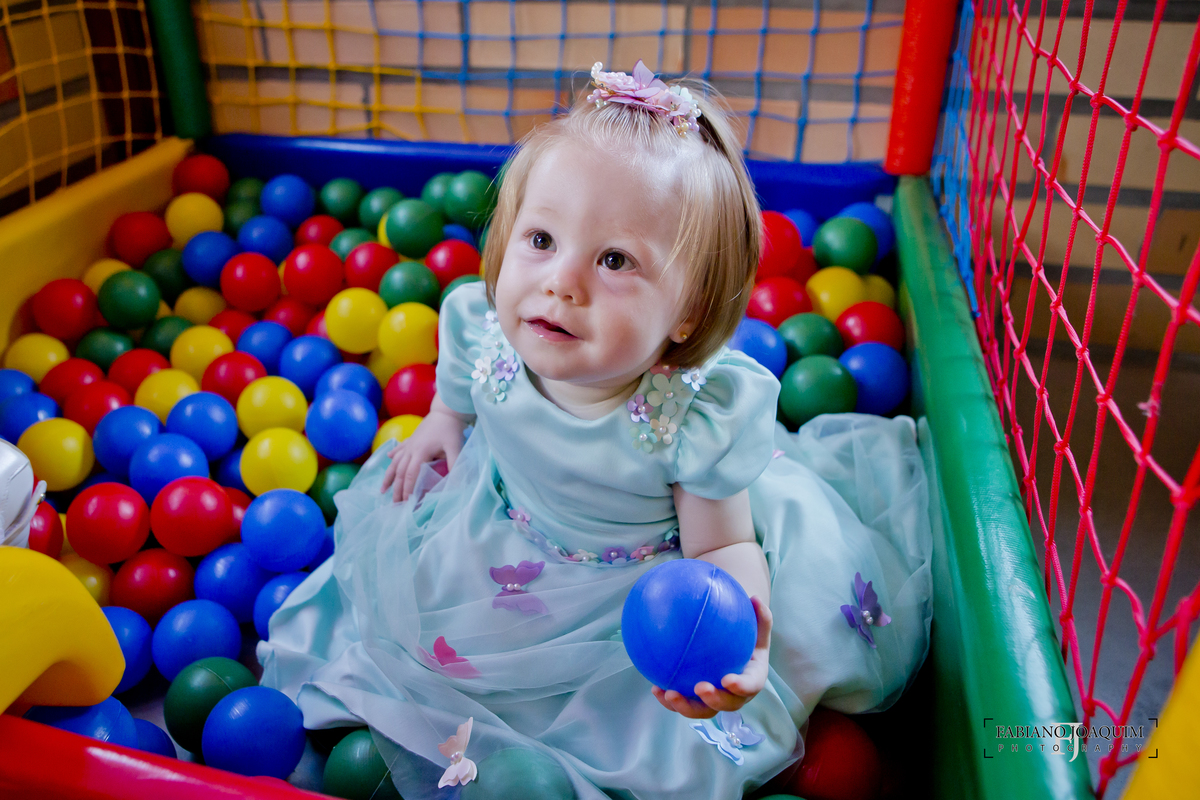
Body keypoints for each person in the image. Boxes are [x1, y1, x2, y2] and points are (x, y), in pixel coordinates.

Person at [259, 60, 932, 800]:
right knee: (396, 652)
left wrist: (740, 637)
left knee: (628, 745)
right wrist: (444, 421)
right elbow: (461, 370)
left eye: (614, 260)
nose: (561, 282)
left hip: (638, 595)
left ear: (687, 313)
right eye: (540, 239)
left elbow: (722, 548)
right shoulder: (491, 332)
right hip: (498, 539)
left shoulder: (688, 421)